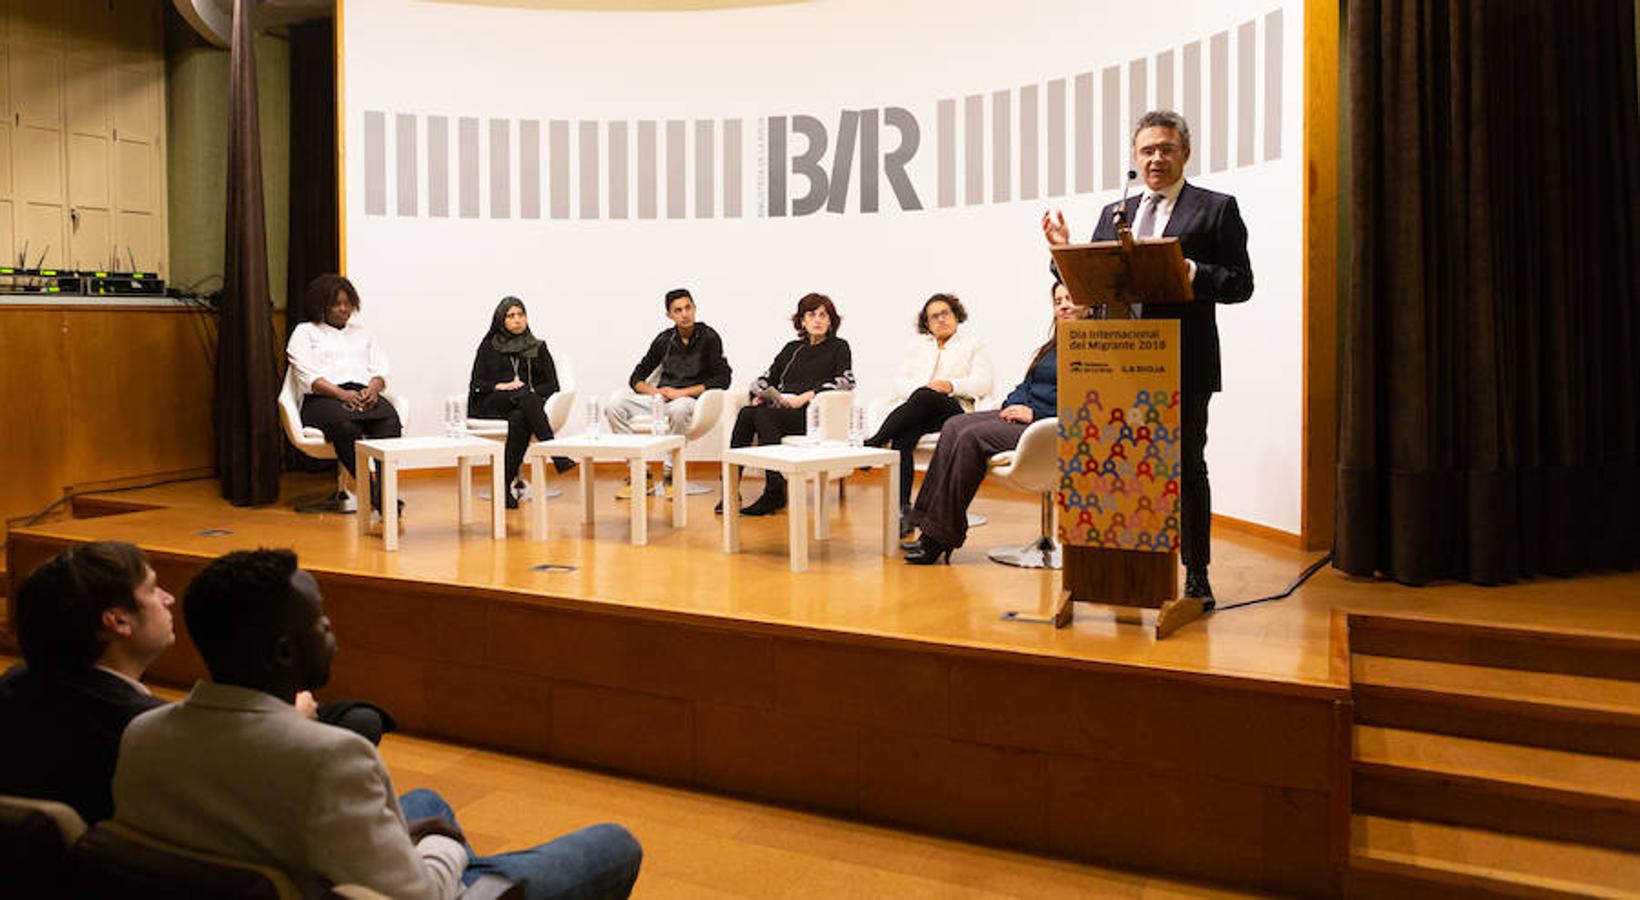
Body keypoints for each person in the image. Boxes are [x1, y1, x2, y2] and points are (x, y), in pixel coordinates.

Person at [112, 549, 643, 900]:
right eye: (321, 622)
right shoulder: (329, 758)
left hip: (290, 867)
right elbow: (420, 898)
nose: (332, 632)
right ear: (284, 652)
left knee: (429, 800)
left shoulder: (143, 734)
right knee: (613, 844)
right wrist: (446, 847)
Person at [0, 542, 389, 824]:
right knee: (424, 805)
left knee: (355, 717)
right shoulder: (144, 732)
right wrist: (291, 721)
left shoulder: (14, 683)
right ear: (118, 621)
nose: (168, 598)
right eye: (153, 589)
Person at [1041, 109, 1254, 603]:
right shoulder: (1115, 212)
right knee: (1116, 464)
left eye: (1166, 149)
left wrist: (1193, 270)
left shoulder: (1215, 208)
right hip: (1113, 363)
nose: (1156, 158)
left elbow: (1241, 284)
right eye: (1147, 150)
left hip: (1182, 361)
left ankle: (1196, 572)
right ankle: (1118, 565)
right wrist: (1061, 252)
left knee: (1185, 466)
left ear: (1185, 154)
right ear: (1134, 158)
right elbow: (1084, 286)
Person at [903, 283, 1087, 564]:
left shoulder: (1093, 348)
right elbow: (1027, 384)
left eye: (1070, 298)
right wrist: (1015, 403)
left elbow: (1085, 399)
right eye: (1057, 300)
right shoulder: (1053, 346)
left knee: (971, 438)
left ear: (1088, 304)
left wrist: (1034, 414)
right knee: (955, 424)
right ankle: (926, 526)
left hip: (1046, 426)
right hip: (1025, 416)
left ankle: (938, 538)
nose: (1062, 305)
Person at [865, 293, 995, 532]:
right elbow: (898, 383)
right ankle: (904, 511)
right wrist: (924, 389)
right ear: (927, 324)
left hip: (955, 410)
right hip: (920, 410)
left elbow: (983, 382)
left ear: (956, 316)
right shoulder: (916, 348)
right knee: (904, 437)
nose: (941, 320)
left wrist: (950, 385)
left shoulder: (973, 344)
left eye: (945, 313)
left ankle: (874, 442)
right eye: (934, 317)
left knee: (926, 396)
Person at [719, 293, 855, 516]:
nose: (818, 320)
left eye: (823, 315)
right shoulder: (792, 348)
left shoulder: (839, 347)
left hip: (810, 415)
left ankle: (774, 491)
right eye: (812, 315)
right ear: (802, 320)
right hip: (782, 410)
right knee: (747, 412)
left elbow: (846, 381)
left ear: (831, 321)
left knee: (763, 416)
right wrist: (762, 393)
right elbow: (765, 378)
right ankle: (730, 490)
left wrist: (808, 395)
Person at [287, 274, 402, 514]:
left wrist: (373, 389)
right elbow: (307, 376)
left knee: (390, 421)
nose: (343, 309)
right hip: (323, 398)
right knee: (345, 426)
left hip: (362, 392)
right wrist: (342, 394)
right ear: (322, 306)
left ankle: (384, 490)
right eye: (336, 304)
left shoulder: (363, 333)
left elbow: (381, 369)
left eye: (347, 303)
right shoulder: (305, 332)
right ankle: (371, 493)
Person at [605, 288, 732, 496]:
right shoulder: (664, 340)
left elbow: (723, 378)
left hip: (690, 400)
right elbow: (636, 377)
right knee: (613, 406)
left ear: (695, 308)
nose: (685, 314)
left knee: (679, 409)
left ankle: (670, 473)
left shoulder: (709, 337)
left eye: (688, 308)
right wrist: (655, 392)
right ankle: (640, 474)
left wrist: (682, 393)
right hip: (662, 400)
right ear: (670, 315)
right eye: (678, 310)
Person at [468, 296, 574, 509]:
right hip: (490, 403)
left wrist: (529, 390)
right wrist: (501, 386)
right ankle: (555, 452)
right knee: (524, 397)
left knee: (520, 417)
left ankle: (503, 488)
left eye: (521, 315)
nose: (517, 320)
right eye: (511, 316)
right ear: (501, 320)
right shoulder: (489, 347)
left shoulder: (538, 347)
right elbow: (477, 383)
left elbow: (552, 384)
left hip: (522, 405)